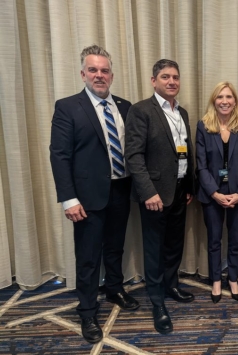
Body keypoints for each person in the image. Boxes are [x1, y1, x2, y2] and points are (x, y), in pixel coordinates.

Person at [49, 45, 139, 344]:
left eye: (104, 70)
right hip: (86, 197)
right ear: (83, 73)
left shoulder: (126, 107)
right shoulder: (68, 106)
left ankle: (114, 288)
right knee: (88, 257)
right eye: (93, 70)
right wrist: (69, 199)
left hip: (121, 189)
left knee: (115, 247)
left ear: (111, 75)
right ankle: (87, 310)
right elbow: (59, 155)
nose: (99, 75)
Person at [125, 59, 195, 334]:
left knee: (174, 243)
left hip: (179, 191)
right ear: (154, 81)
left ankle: (171, 285)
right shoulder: (141, 110)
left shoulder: (183, 112)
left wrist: (188, 186)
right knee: (154, 248)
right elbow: (134, 155)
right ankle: (157, 302)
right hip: (154, 194)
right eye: (165, 77)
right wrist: (148, 192)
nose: (172, 81)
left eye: (175, 77)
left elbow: (183, 152)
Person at [196, 82, 238, 304]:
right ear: (214, 100)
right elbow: (200, 165)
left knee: (236, 240)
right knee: (214, 240)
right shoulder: (203, 126)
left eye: (229, 97)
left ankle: (233, 279)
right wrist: (214, 193)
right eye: (220, 97)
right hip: (212, 194)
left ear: (235, 101)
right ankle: (216, 281)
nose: (225, 101)